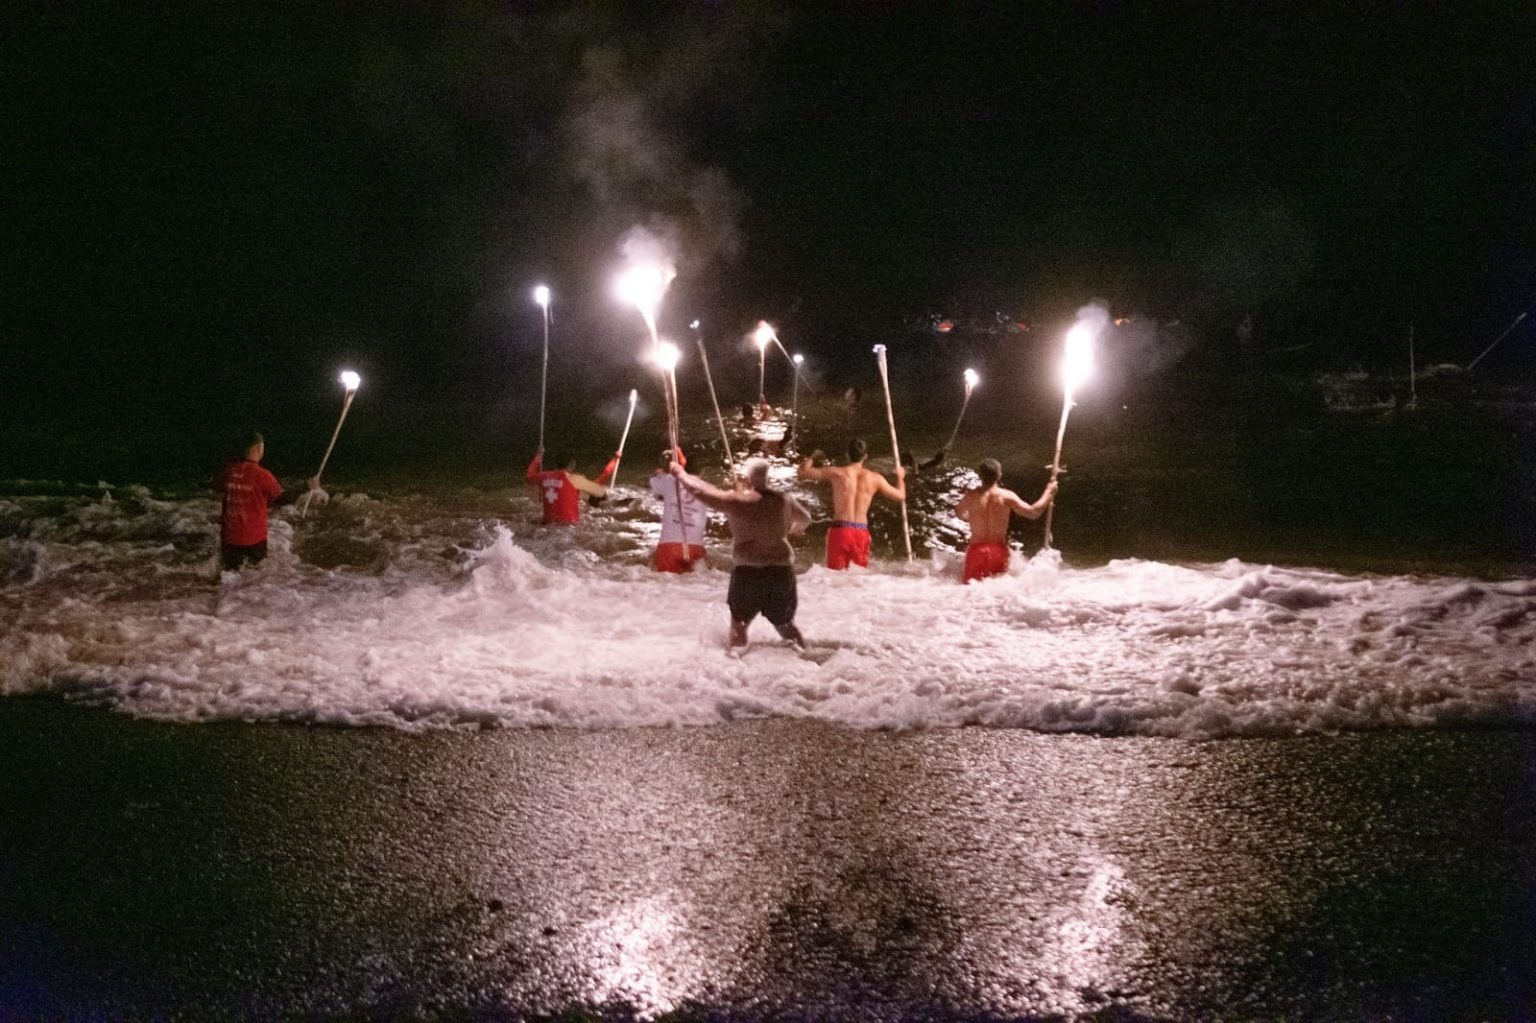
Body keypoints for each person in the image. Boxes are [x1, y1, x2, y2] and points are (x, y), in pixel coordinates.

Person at [671, 456, 810, 649]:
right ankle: (805, 660)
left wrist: (681, 474)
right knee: (784, 624)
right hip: (781, 571)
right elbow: (805, 518)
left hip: (749, 572)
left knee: (739, 625)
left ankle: (738, 666)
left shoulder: (736, 501)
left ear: (747, 478)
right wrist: (793, 530)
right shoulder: (784, 500)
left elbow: (700, 491)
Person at [797, 438, 906, 570]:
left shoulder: (837, 473)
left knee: (835, 577)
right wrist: (900, 476)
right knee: (858, 578)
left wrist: (814, 456)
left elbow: (802, 473)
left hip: (840, 530)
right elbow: (901, 496)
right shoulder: (875, 478)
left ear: (847, 455)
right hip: (861, 531)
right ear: (865, 457)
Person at [217, 431, 318, 572]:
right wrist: (306, 486)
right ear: (258, 449)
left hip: (229, 539)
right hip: (253, 540)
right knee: (254, 578)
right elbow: (283, 499)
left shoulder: (228, 472)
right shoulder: (263, 475)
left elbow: (222, 488)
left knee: (229, 576)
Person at [953, 458, 1057, 583]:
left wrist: (971, 518)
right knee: (997, 590)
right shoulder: (1006, 496)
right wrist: (1048, 492)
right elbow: (1033, 512)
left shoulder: (971, 496)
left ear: (980, 476)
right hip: (998, 551)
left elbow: (959, 513)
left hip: (976, 551)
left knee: (970, 590)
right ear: (999, 475)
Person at [650, 448, 709, 572]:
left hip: (670, 546)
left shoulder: (669, 480)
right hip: (696, 546)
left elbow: (656, 487)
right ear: (703, 471)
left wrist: (662, 467)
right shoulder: (708, 489)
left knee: (668, 587)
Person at [526, 448, 617, 525]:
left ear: (555, 463)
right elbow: (600, 492)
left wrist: (538, 457)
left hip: (547, 525)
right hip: (569, 527)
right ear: (572, 464)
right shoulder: (574, 479)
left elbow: (528, 477)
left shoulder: (544, 477)